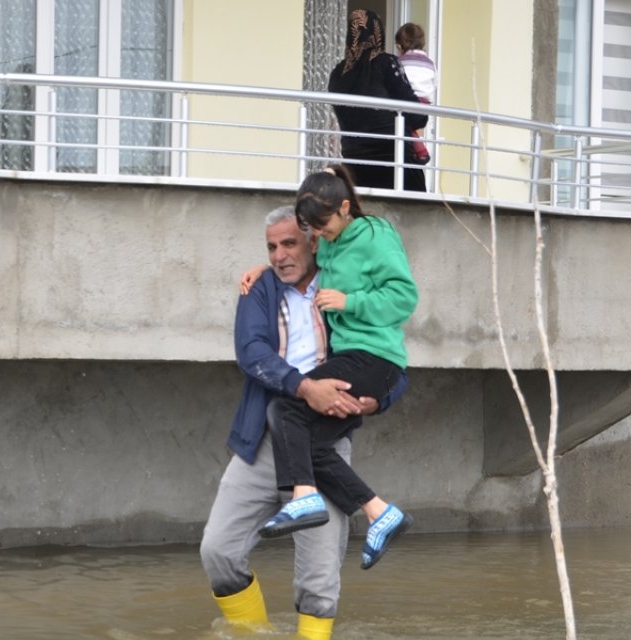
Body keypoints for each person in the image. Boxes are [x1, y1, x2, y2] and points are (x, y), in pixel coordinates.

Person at [200, 205, 406, 640]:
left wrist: (376, 402)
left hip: (322, 448)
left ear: (316, 241)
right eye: (271, 247)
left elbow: (389, 358)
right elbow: (252, 353)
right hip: (261, 442)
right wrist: (304, 387)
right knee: (218, 552)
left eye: (289, 243)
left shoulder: (347, 286)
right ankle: (249, 634)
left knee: (319, 581)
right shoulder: (259, 290)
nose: (279, 255)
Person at [240, 165, 417, 571]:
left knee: (286, 408)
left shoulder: (375, 235)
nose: (320, 235)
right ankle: (379, 512)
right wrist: (264, 269)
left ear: (344, 207)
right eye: (313, 229)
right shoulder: (329, 239)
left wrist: (349, 302)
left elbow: (405, 297)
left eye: (324, 226)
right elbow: (299, 258)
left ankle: (304, 498)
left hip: (374, 356)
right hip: (353, 356)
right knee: (307, 439)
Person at [328, 9, 428, 192]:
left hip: (354, 165)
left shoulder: (338, 74)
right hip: (395, 162)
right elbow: (418, 116)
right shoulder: (386, 63)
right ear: (378, 32)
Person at [395, 22, 437, 166]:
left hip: (410, 101)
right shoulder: (430, 63)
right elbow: (434, 83)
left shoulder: (400, 62)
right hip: (424, 105)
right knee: (407, 126)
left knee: (398, 120)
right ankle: (416, 152)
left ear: (400, 46)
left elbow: (397, 83)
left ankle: (421, 152)